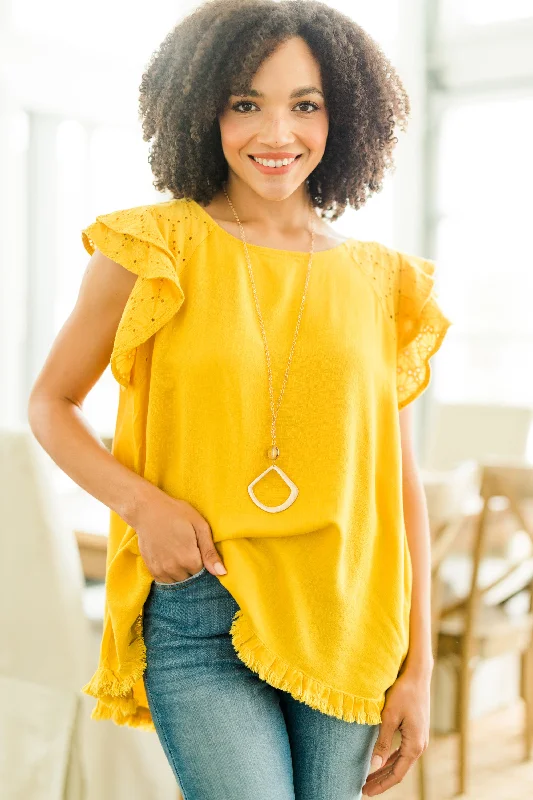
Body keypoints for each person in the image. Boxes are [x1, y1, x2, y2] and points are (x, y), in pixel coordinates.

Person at [27, 1, 452, 798]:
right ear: (200, 109)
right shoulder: (151, 249)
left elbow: (398, 487)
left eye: (305, 105)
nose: (276, 134)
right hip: (200, 613)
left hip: (351, 618)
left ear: (344, 117)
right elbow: (51, 403)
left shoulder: (380, 281)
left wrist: (418, 668)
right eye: (245, 103)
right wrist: (142, 505)